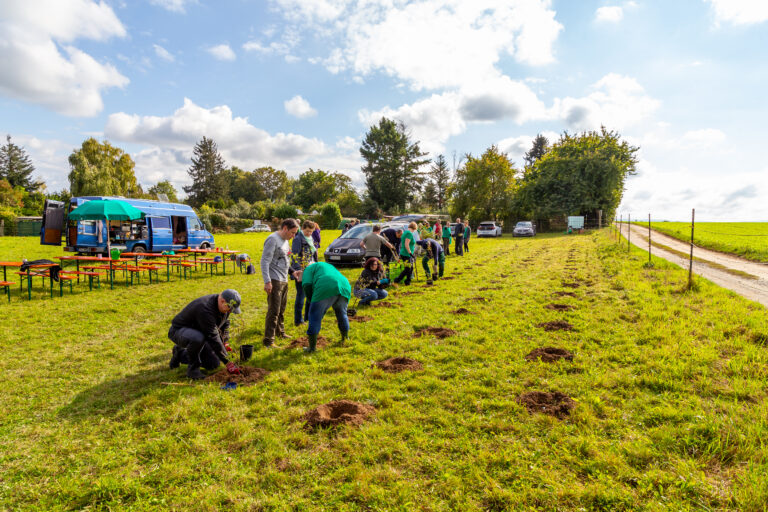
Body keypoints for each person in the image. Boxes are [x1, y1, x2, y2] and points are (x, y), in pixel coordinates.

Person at [168, 289, 242, 380]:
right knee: (197, 338)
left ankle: (180, 354)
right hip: (179, 331)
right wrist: (228, 362)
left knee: (213, 364)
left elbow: (225, 323)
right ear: (222, 301)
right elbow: (213, 336)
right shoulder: (205, 308)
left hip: (201, 332)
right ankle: (193, 370)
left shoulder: (224, 308)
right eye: (230, 308)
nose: (230, 311)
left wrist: (224, 342)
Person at [295, 262, 351, 353]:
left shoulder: (308, 269)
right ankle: (345, 338)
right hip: (344, 285)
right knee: (342, 314)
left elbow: (307, 284)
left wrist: (311, 300)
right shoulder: (327, 265)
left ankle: (312, 348)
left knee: (314, 317)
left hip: (326, 286)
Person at [260, 218, 299, 348]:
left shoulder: (286, 241)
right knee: (274, 310)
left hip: (284, 278)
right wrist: (267, 281)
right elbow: (264, 261)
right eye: (292, 232)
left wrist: (292, 272)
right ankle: (268, 340)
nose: (293, 236)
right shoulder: (272, 239)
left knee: (281, 309)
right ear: (285, 228)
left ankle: (280, 332)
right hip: (274, 279)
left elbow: (285, 260)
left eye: (295, 233)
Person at [290, 220, 318, 326]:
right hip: (301, 270)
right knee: (301, 295)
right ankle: (298, 320)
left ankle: (307, 317)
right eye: (307, 231)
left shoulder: (311, 239)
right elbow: (295, 256)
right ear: (302, 228)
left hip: (311, 269)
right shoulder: (297, 239)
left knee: (310, 295)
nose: (309, 233)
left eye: (311, 231)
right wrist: (298, 271)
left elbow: (313, 254)